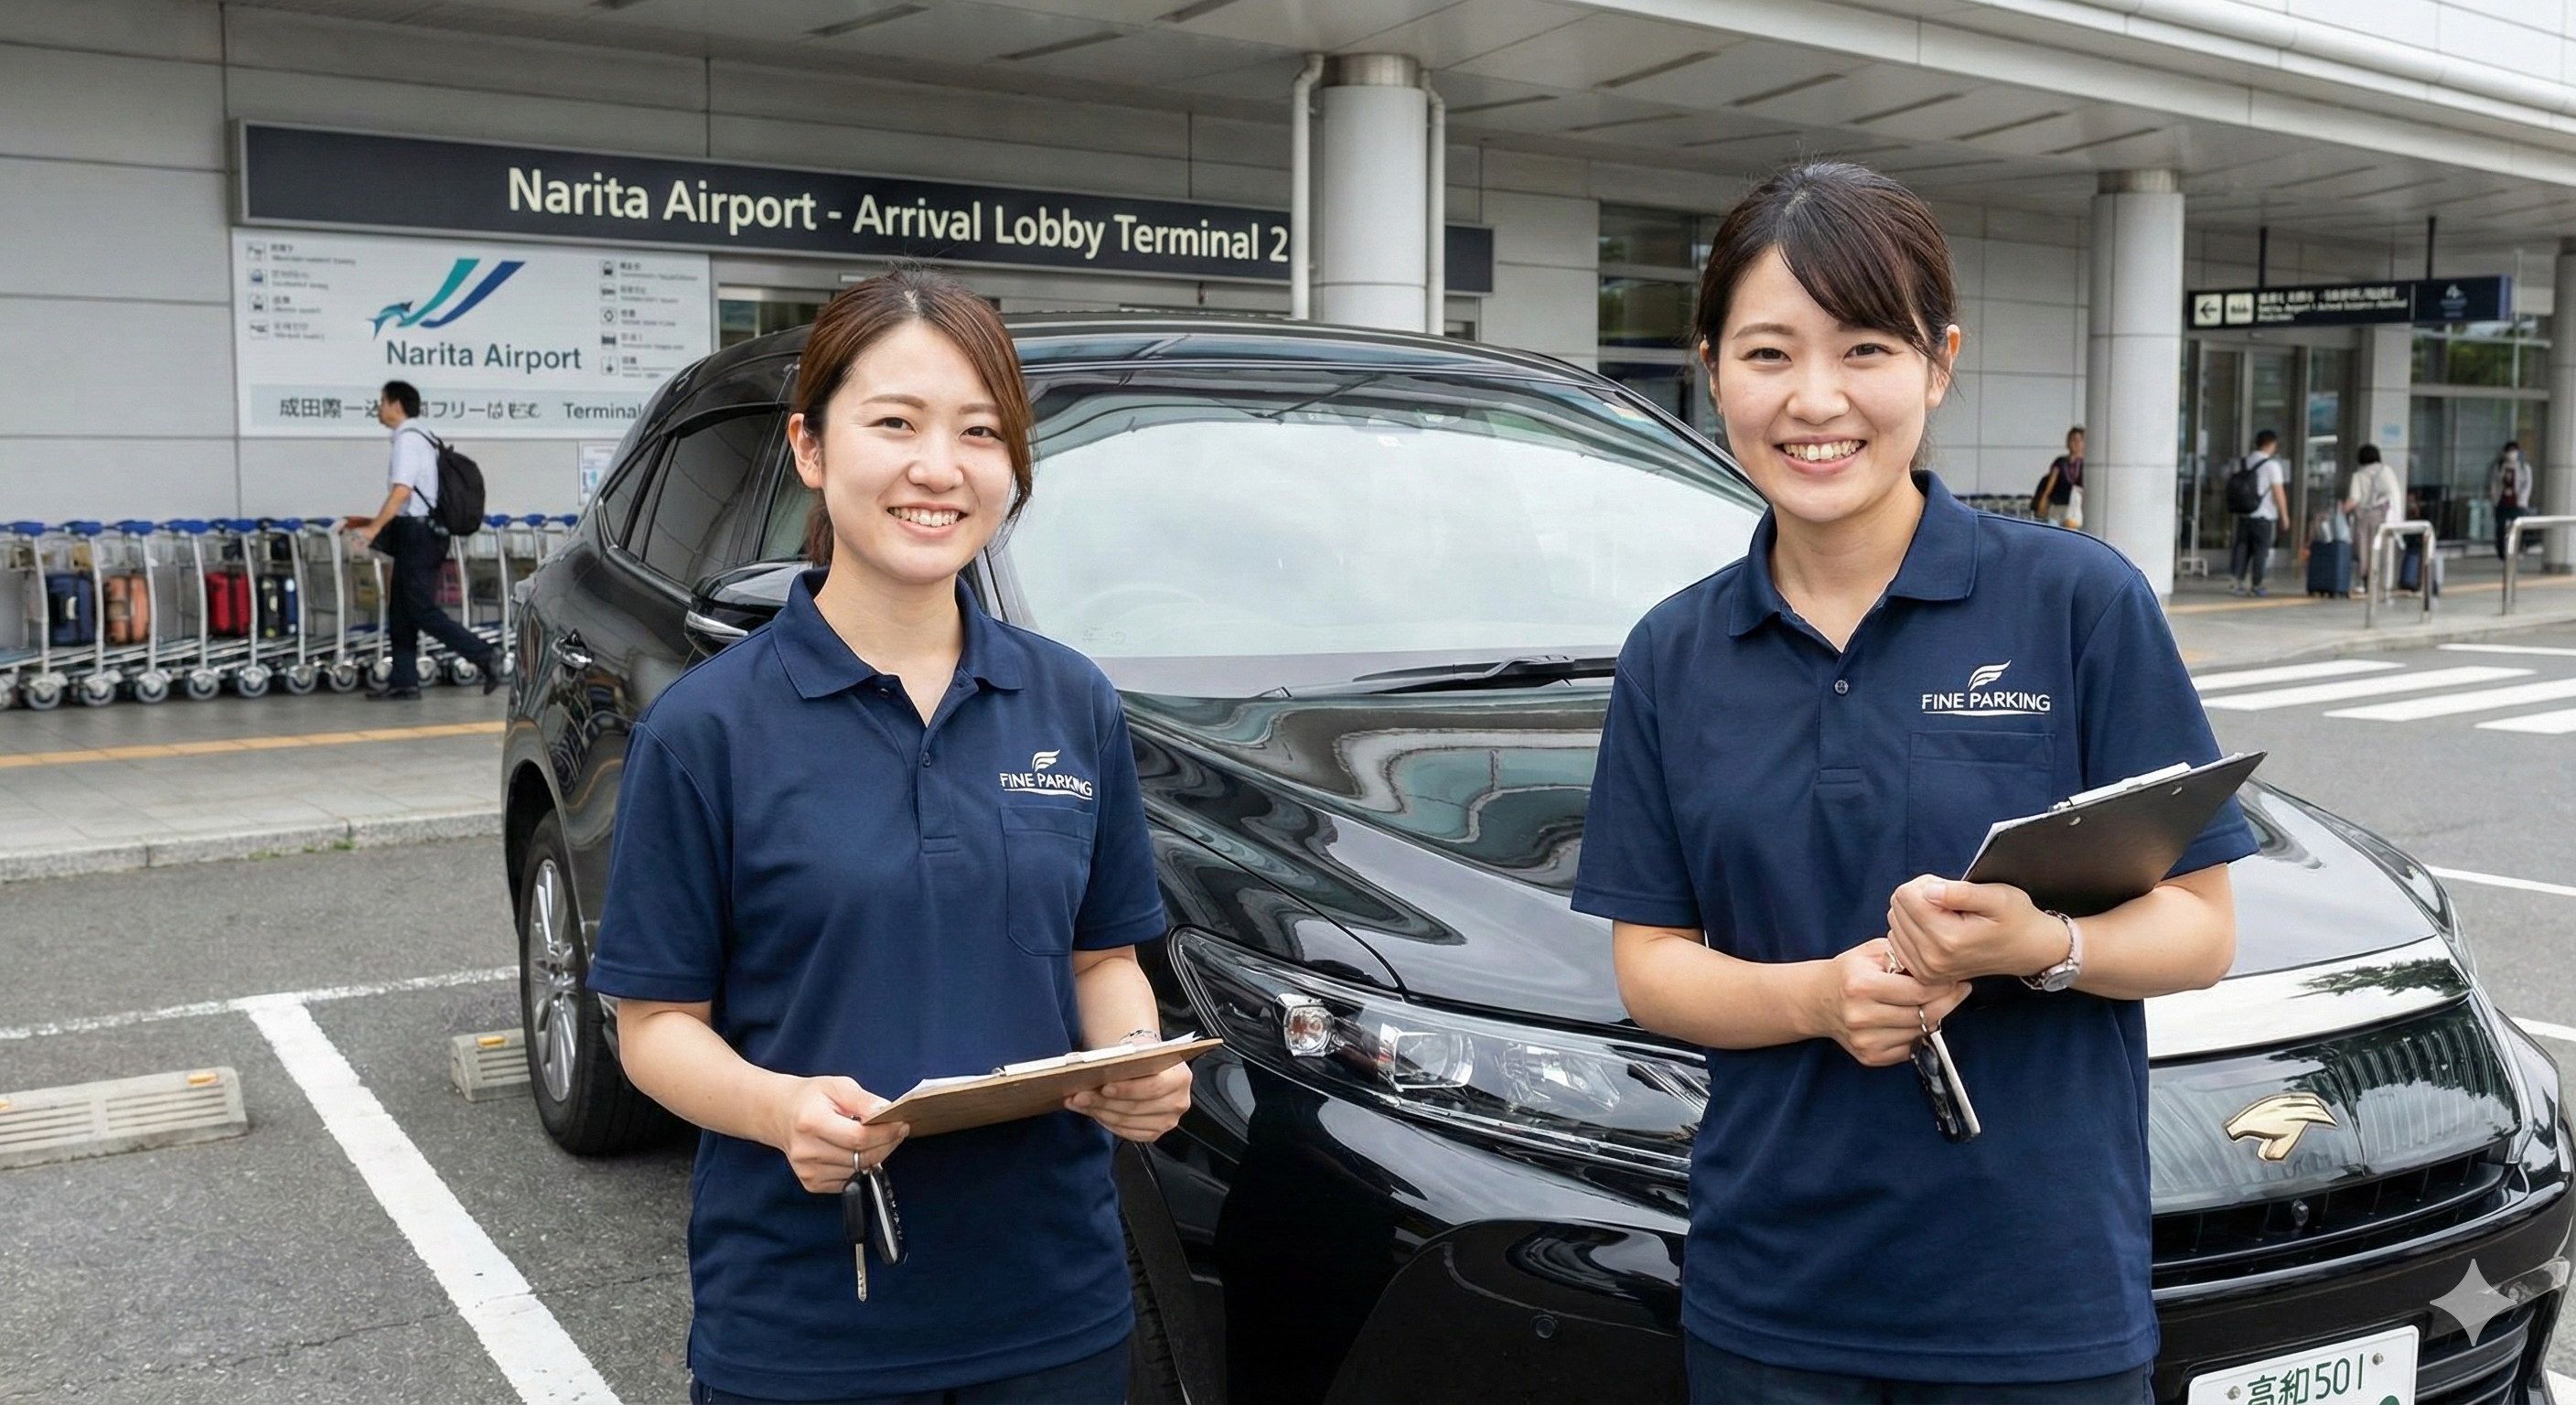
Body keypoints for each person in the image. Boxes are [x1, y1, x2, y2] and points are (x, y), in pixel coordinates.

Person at [1571, 162, 2252, 1404]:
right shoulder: (1675, 653)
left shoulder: (2075, 602)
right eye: (1769, 354)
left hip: (2037, 1303)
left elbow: (2201, 929)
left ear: (1938, 363)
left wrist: (2044, 944)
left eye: (1866, 349)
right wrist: (1821, 1000)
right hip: (1773, 1299)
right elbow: (1651, 964)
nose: (1816, 401)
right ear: (1710, 366)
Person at [587, 269, 1190, 1405]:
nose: (937, 468)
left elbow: (1102, 957)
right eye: (895, 423)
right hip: (809, 1319)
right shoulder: (707, 730)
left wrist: (1133, 1066)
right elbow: (656, 1025)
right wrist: (780, 1110)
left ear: (1013, 468)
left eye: (978, 432)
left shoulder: (1069, 701)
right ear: (811, 450)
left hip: (1052, 1304)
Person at [351, 381, 499, 698]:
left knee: (420, 608)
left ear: (395, 405)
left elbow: (402, 491)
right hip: (417, 532)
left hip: (419, 535)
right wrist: (373, 522)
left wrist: (373, 529)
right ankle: (404, 681)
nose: (378, 408)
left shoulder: (408, 439)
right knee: (401, 610)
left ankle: (485, 655)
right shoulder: (424, 437)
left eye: (381, 401)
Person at [2226, 430, 2289, 596]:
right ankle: (2256, 585)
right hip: (2264, 515)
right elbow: (2278, 491)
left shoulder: (2243, 462)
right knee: (2261, 551)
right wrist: (2284, 515)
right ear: (2270, 444)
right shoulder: (2272, 465)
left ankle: (2236, 583)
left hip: (2244, 513)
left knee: (2241, 548)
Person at [2344, 444, 2403, 593]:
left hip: (2365, 517)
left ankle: (2365, 581)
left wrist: (2341, 510)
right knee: (2383, 548)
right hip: (2385, 516)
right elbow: (2395, 493)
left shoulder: (2359, 476)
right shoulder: (2387, 471)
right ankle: (2384, 581)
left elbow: (2354, 499)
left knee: (2364, 549)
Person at [2029, 426, 2084, 529]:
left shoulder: (2088, 464)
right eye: (2073, 439)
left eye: (2080, 440)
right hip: (2059, 505)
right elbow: (2050, 484)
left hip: (2078, 508)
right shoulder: (2060, 462)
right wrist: (2043, 501)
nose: (2076, 443)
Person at [2495, 440, 2534, 560]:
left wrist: (2523, 499)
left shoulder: (2524, 467)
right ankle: (2501, 553)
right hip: (2502, 501)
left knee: (2517, 528)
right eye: (2510, 451)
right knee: (2500, 528)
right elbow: (2494, 483)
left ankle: (2518, 550)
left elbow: (2528, 485)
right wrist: (2494, 498)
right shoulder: (2500, 466)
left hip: (2518, 503)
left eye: (2514, 451)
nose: (2512, 454)